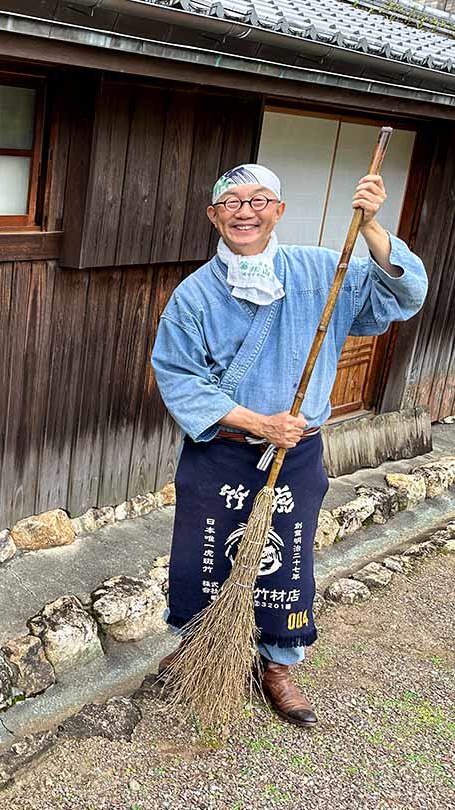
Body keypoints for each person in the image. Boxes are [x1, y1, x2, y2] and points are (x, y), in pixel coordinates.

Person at [150, 163, 428, 727]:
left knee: (287, 558)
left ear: (278, 210)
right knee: (205, 552)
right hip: (222, 448)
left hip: (295, 450)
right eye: (230, 201)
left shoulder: (324, 269)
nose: (244, 211)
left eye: (259, 200)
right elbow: (178, 376)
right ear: (214, 216)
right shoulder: (193, 295)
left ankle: (277, 662)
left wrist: (374, 226)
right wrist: (258, 422)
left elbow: (401, 295)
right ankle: (203, 651)